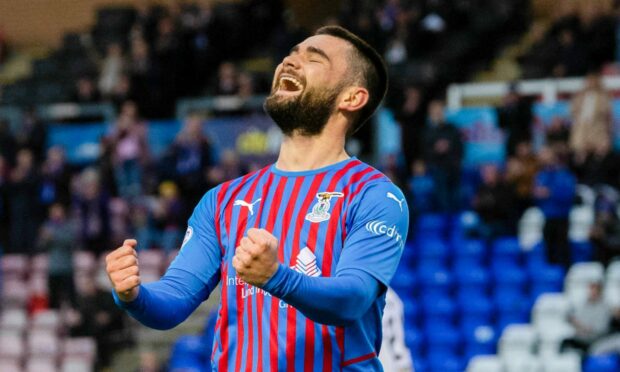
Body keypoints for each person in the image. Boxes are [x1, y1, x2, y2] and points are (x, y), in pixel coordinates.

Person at [106, 25, 408, 371]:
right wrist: (132, 294)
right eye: (291, 54)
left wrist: (275, 276)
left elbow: (352, 299)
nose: (290, 62)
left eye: (314, 58)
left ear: (351, 97)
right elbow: (172, 301)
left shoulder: (374, 194)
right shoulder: (223, 200)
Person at [534, 147, 576, 268]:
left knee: (562, 249)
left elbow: (569, 194)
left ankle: (565, 275)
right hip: (547, 216)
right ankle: (551, 276)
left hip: (562, 217)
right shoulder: (541, 175)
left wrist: (550, 193)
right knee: (549, 249)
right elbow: (536, 195)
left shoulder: (565, 175)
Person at [422, 99, 463, 213]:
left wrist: (448, 147)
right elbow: (424, 152)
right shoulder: (427, 131)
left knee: (456, 198)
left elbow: (459, 147)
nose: (438, 113)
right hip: (437, 169)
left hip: (453, 168)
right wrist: (436, 149)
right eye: (435, 111)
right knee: (442, 197)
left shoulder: (452, 128)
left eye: (440, 110)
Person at [561, 280, 611, 355]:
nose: (592, 293)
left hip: (595, 340)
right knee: (564, 342)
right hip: (580, 338)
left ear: (600, 292)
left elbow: (601, 329)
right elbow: (575, 320)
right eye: (591, 290)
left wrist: (582, 327)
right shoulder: (583, 305)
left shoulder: (605, 308)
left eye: (595, 290)